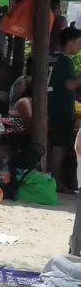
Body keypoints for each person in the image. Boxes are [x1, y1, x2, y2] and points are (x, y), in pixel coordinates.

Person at [47, 26, 81, 192]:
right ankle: (55, 181)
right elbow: (70, 84)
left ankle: (52, 178)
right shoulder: (65, 61)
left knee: (54, 145)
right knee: (59, 146)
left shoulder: (51, 58)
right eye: (80, 42)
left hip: (50, 105)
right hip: (61, 108)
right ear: (71, 41)